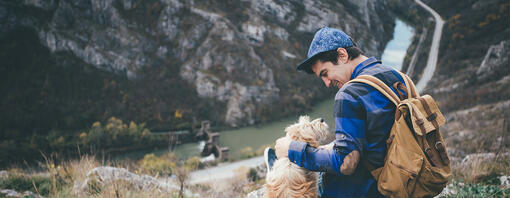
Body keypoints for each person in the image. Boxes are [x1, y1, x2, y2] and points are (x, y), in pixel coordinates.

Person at [273, 27, 410, 197]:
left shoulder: (349, 94)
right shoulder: (398, 77)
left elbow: (347, 162)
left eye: (325, 73)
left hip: (371, 189)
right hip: (406, 180)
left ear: (342, 55)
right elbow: (379, 136)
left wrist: (292, 149)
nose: (327, 83)